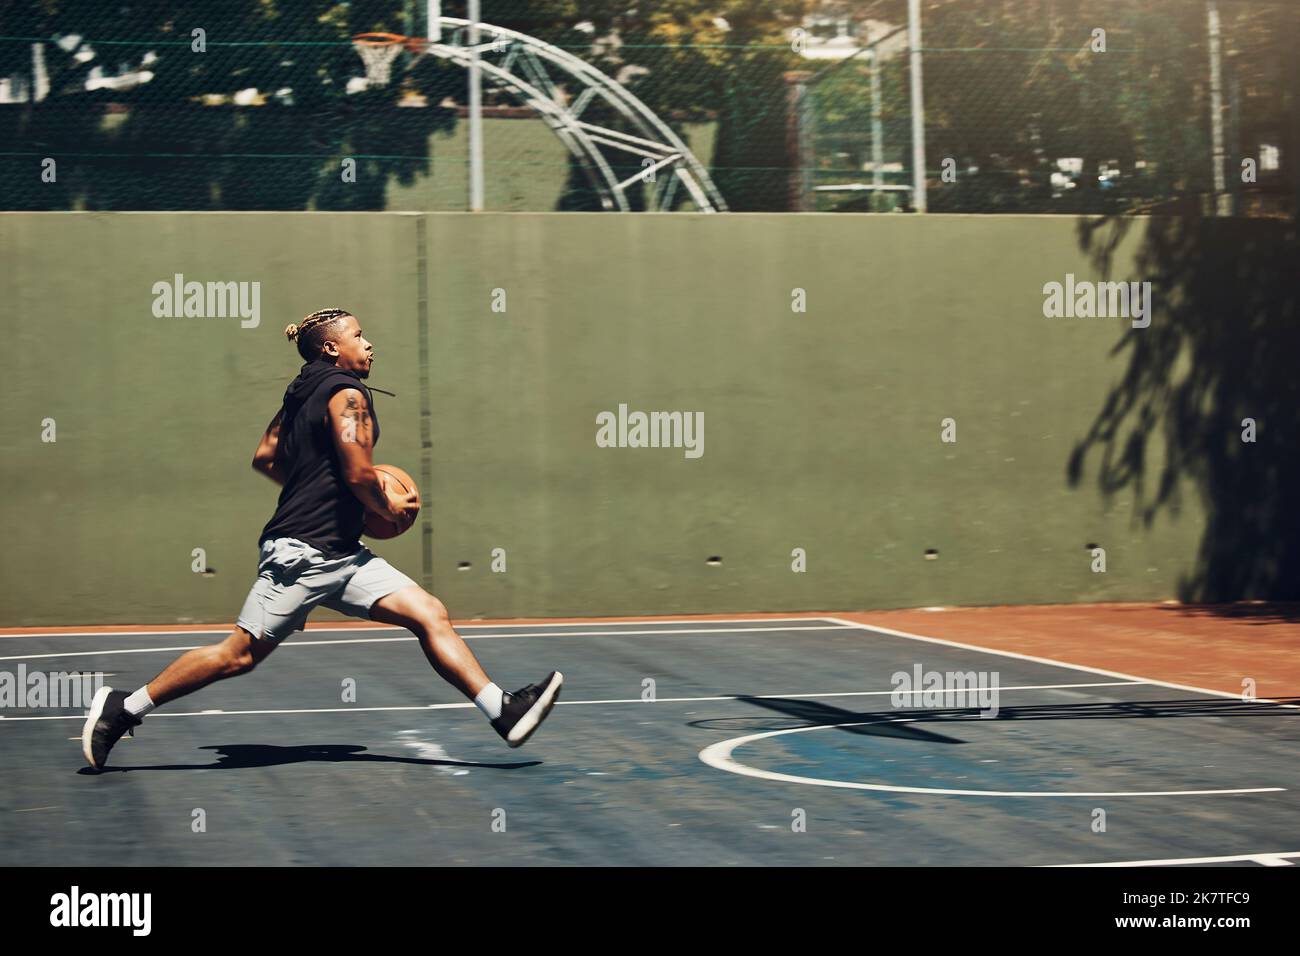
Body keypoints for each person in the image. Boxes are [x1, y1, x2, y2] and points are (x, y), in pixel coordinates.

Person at [82, 308, 562, 770]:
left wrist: (317, 492)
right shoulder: (348, 395)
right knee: (238, 655)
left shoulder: (300, 392)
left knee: (428, 613)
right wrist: (386, 507)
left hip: (342, 553)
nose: (369, 343)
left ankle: (502, 710)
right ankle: (124, 707)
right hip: (304, 553)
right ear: (332, 348)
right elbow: (358, 473)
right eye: (359, 335)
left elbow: (266, 456)